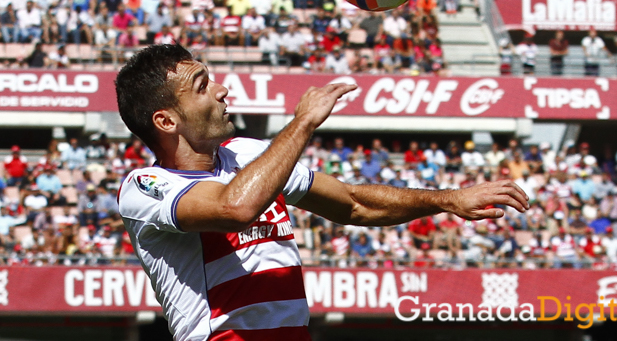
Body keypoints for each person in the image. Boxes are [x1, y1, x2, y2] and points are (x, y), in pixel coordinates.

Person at [114, 44, 528, 341]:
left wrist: (448, 200)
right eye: (202, 86)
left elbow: (352, 203)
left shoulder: (249, 155)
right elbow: (235, 207)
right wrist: (303, 123)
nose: (222, 90)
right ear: (166, 122)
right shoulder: (145, 188)